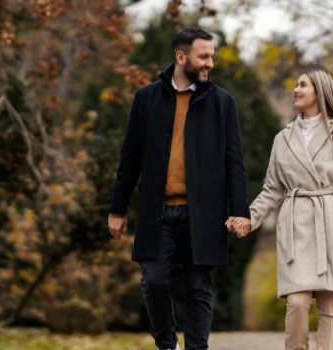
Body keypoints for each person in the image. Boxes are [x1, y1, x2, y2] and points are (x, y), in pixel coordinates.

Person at [107, 27, 251, 350]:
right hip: (156, 211)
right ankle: (166, 344)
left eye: (212, 56)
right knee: (153, 281)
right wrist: (117, 209)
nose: (210, 63)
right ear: (181, 57)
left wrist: (240, 210)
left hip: (204, 213)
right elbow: (129, 159)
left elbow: (235, 163)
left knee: (198, 287)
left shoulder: (223, 103)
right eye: (203, 56)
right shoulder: (145, 100)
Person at [233, 70, 333, 350]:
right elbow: (273, 188)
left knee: (330, 305)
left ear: (319, 92)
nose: (296, 89)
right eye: (295, 84)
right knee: (297, 302)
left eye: (303, 85)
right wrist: (250, 217)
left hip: (332, 221)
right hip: (297, 226)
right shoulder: (282, 138)